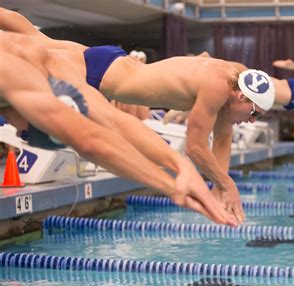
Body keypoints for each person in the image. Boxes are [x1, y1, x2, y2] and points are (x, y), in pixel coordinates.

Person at [0, 8, 276, 222]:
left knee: (38, 42)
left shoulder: (236, 76)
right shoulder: (217, 86)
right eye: (253, 113)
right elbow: (194, 146)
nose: (252, 121)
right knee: (37, 44)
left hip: (115, 65)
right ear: (242, 96)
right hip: (105, 74)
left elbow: (223, 138)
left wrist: (221, 187)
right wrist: (199, 183)